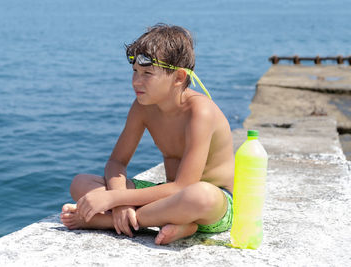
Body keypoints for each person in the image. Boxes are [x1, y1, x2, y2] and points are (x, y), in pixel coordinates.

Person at [60, 23, 234, 245]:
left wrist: (113, 199)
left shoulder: (201, 112)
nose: (136, 82)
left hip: (212, 204)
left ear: (179, 77)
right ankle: (178, 224)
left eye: (147, 73)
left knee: (200, 195)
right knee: (81, 183)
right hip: (167, 198)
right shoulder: (143, 106)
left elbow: (184, 186)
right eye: (134, 71)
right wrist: (121, 203)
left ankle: (106, 222)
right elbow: (116, 162)